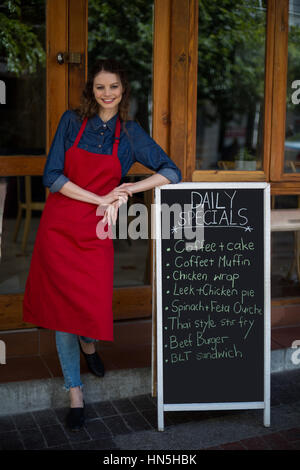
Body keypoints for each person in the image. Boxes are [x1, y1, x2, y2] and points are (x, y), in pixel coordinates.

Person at [22, 59, 181, 431]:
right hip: (60, 227)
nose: (106, 93)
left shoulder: (130, 133)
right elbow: (52, 176)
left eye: (113, 87)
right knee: (63, 311)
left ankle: (89, 345)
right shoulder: (71, 122)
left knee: (91, 304)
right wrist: (101, 199)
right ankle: (74, 392)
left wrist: (128, 189)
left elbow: (170, 172)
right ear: (91, 92)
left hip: (97, 232)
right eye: (100, 87)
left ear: (123, 91)